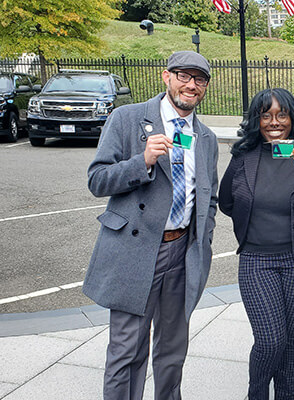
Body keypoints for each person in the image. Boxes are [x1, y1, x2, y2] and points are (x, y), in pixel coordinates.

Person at [83, 51, 218, 400]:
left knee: (173, 349)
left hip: (182, 251)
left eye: (199, 79)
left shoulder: (205, 138)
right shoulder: (127, 119)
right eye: (183, 76)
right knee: (127, 350)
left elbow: (209, 197)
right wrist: (141, 161)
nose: (191, 85)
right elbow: (97, 180)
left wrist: (203, 240)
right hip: (135, 250)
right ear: (166, 77)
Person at [219, 88, 294, 400]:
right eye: (265, 115)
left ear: (292, 118)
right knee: (270, 340)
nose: (274, 122)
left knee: (292, 341)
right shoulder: (244, 158)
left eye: (281, 114)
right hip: (256, 261)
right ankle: (257, 394)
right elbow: (226, 202)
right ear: (256, 120)